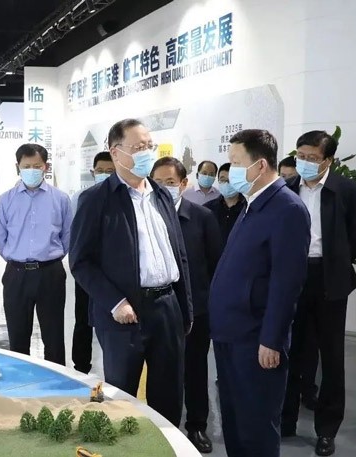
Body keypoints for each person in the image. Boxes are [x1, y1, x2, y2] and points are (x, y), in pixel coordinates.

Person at [69, 118, 193, 427]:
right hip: (124, 313)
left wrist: (185, 308)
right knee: (122, 395)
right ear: (116, 152)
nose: (147, 152)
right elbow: (81, 261)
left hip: (167, 307)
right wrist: (116, 302)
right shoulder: (96, 200)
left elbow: (178, 255)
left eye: (149, 145)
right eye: (138, 147)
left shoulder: (161, 195)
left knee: (169, 392)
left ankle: (166, 442)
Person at [209, 129, 310, 457]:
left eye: (237, 163)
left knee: (256, 424)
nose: (231, 171)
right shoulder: (252, 204)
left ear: (261, 165)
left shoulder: (287, 209)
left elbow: (287, 282)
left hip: (255, 338)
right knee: (235, 419)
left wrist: (272, 339)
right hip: (231, 331)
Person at [282, 131, 356, 456]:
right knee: (289, 349)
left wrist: (336, 260)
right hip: (294, 276)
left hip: (329, 278)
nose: (304, 162)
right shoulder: (287, 188)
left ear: (328, 160)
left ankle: (327, 429)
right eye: (300, 156)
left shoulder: (346, 190)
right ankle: (285, 419)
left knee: (331, 356)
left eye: (312, 158)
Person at [150, 156, 221, 453]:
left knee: (195, 368)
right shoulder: (146, 214)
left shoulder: (202, 217)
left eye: (170, 182)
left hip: (196, 309)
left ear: (183, 184)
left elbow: (216, 264)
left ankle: (197, 425)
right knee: (161, 373)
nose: (164, 188)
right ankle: (161, 427)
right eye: (158, 182)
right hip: (157, 308)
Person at [0, 144, 72, 365]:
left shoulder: (60, 199)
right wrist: (15, 258)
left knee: (53, 336)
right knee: (18, 336)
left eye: (37, 166)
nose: (32, 170)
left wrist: (51, 257)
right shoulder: (6, 200)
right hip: (16, 274)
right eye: (26, 166)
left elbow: (68, 236)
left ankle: (56, 379)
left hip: (50, 273)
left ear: (46, 166)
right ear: (17, 167)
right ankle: (21, 381)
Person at [71, 151, 115, 374]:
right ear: (92, 172)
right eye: (100, 171)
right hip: (87, 269)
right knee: (83, 318)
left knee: (114, 320)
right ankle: (81, 366)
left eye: (110, 171)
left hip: (114, 272)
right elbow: (73, 232)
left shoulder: (124, 197)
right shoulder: (82, 197)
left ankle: (115, 366)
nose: (104, 175)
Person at [203, 163, 247, 245]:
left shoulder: (248, 209)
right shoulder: (207, 209)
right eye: (223, 180)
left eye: (230, 180)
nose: (226, 183)